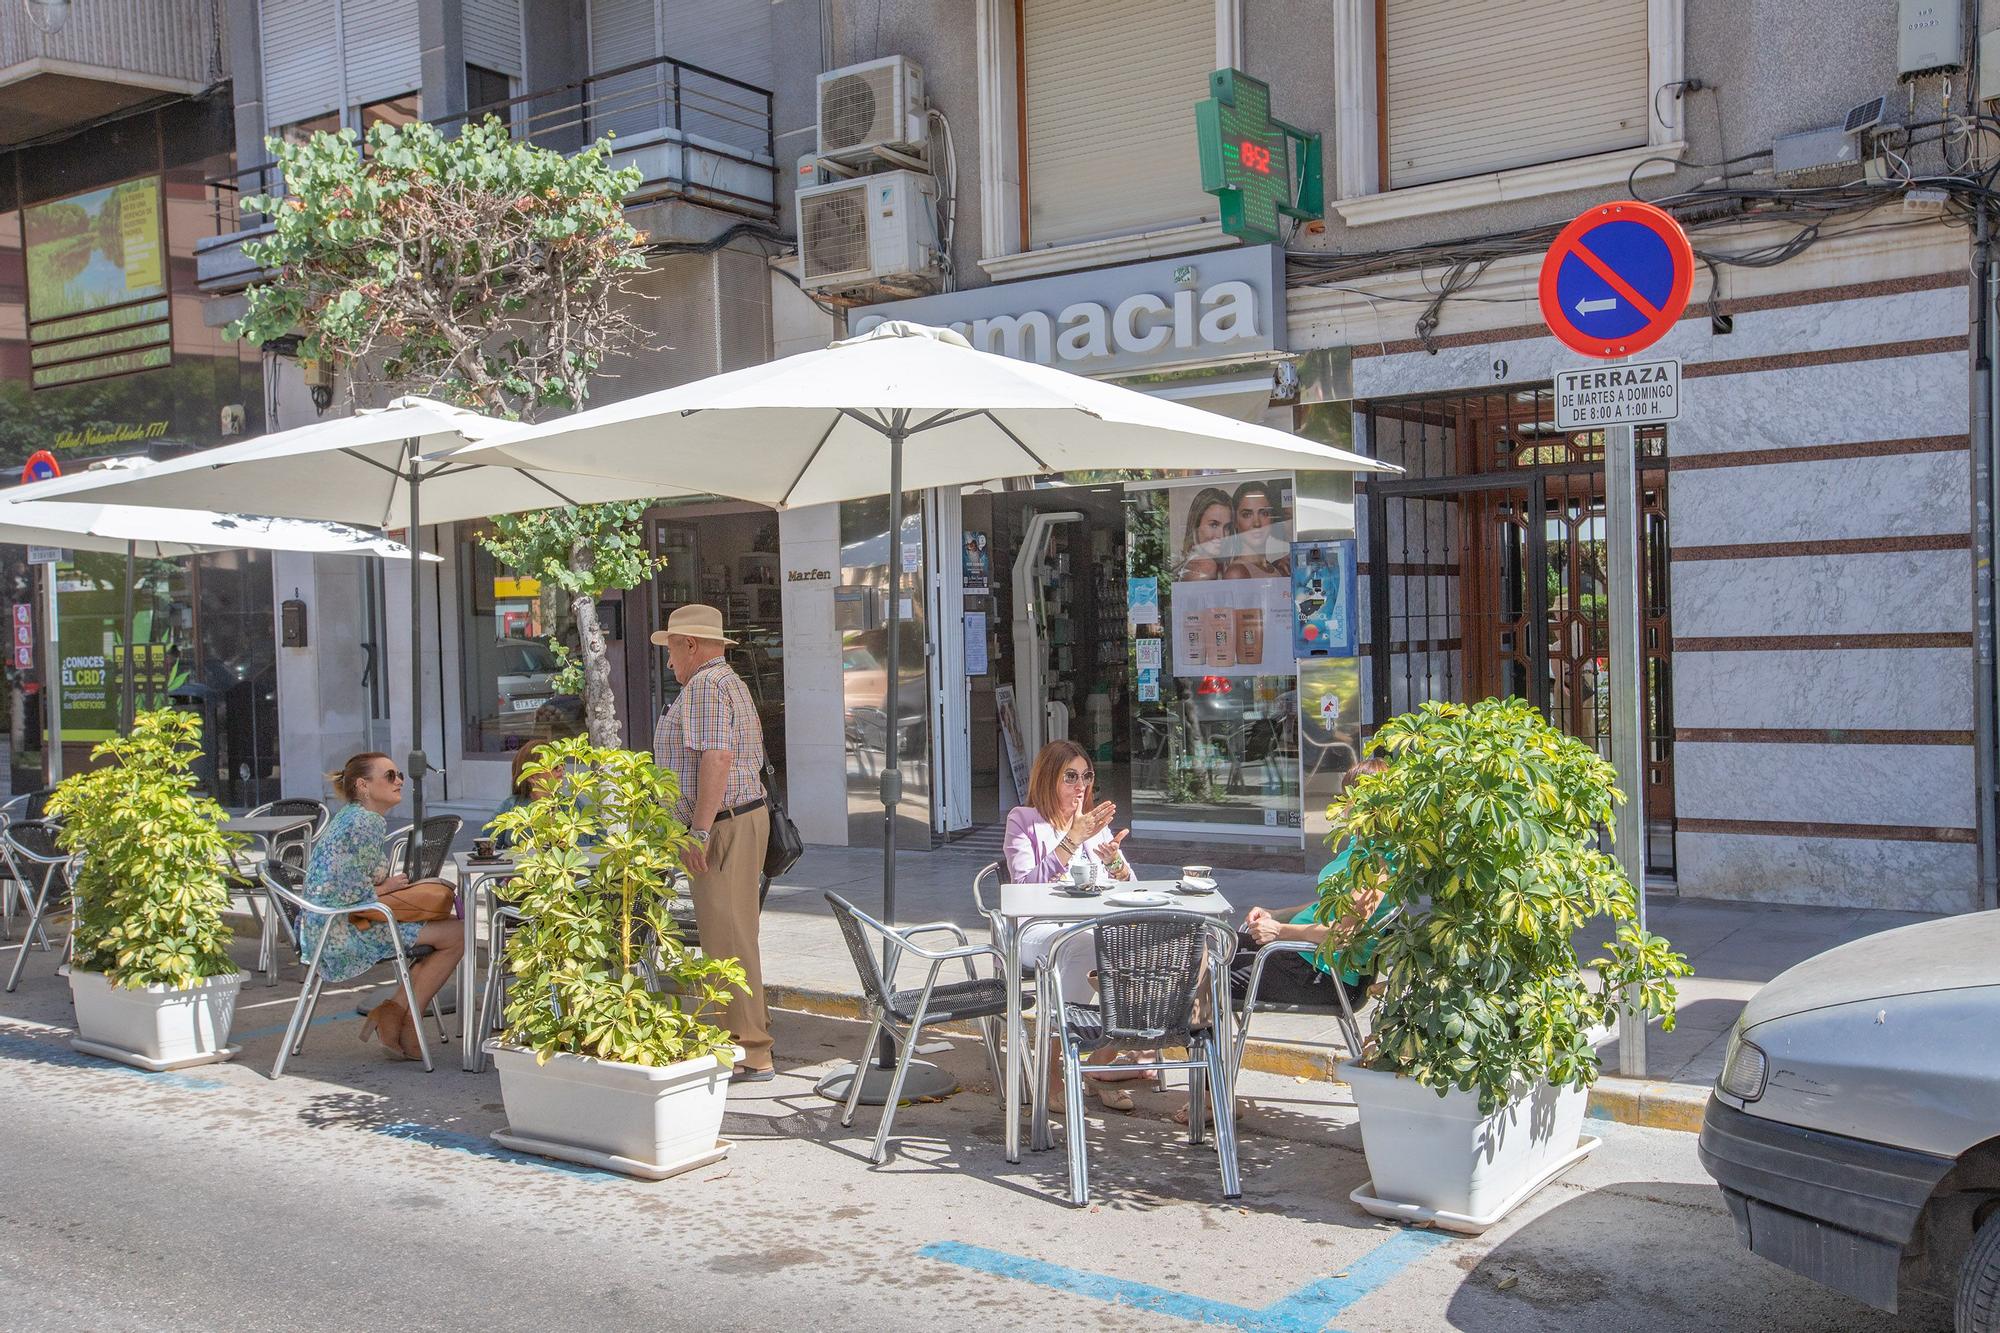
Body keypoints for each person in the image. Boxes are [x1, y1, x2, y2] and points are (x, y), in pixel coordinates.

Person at [1176, 758, 1393, 1124]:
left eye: (1357, 799)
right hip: (1302, 958)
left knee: (1203, 979)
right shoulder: (1360, 849)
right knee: (1206, 946)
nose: (1348, 806)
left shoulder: (1378, 864)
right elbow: (1324, 907)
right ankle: (1209, 1086)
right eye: (1348, 797)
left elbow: (1343, 934)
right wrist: (1278, 913)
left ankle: (1215, 1098)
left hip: (1317, 972)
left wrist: (1281, 932)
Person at [652, 604, 774, 1084]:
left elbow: (717, 758)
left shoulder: (703, 685)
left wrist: (698, 831)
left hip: (723, 824)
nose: (668, 664)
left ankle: (750, 1049)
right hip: (734, 820)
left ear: (690, 645)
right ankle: (739, 1037)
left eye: (670, 651)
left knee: (728, 938)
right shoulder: (727, 682)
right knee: (732, 933)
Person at [1003, 739, 1149, 1111]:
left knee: (1150, 943)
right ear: (1049, 778)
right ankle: (1051, 1071)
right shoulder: (1024, 820)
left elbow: (1131, 887)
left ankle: (1100, 1065)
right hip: (1036, 929)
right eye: (1070, 776)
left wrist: (1114, 861)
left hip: (1090, 926)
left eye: (1086, 776)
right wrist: (1072, 839)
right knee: (1083, 944)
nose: (1080, 785)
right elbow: (1024, 888)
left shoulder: (1094, 826)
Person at [305, 752, 464, 1062]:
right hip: (341, 932)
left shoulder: (353, 816)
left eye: (399, 774)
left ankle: (396, 1016)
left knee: (448, 933)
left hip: (331, 925)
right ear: (363, 785)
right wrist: (386, 887)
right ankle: (404, 1019)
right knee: (458, 934)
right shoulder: (365, 822)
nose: (400, 780)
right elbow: (347, 890)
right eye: (390, 776)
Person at [1223, 479, 1291, 580]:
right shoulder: (1237, 573)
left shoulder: (1274, 568)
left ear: (1272, 518)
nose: (1257, 523)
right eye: (1247, 515)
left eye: (1264, 513)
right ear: (1235, 521)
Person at [488, 742, 547, 852]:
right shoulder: (510, 806)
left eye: (562, 764)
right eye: (553, 765)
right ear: (532, 777)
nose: (560, 769)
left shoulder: (572, 805)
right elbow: (485, 847)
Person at [1174, 487, 1234, 581]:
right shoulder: (1206, 567)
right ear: (1196, 526)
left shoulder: (1193, 565)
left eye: (1227, 528)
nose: (1221, 536)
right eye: (1213, 525)